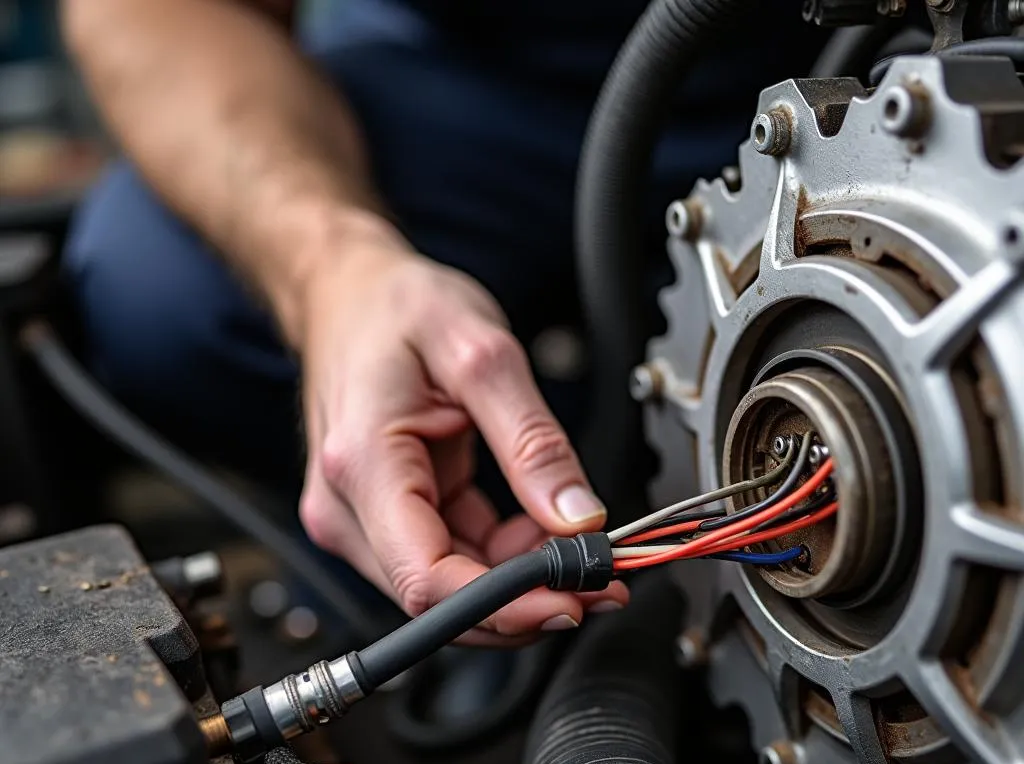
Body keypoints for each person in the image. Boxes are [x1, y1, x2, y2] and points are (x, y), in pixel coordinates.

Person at [60, 0, 820, 644]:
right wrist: (333, 268)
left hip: (840, 68)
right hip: (472, 84)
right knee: (157, 282)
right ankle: (487, 579)